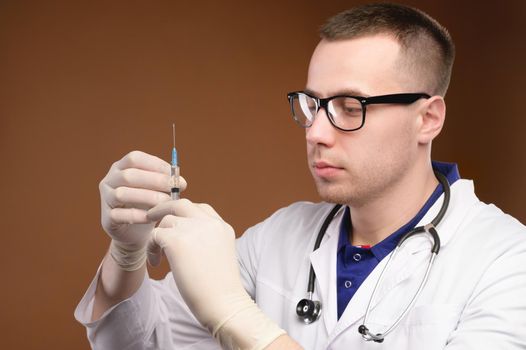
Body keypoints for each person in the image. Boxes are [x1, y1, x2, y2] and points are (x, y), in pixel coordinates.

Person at [75, 3, 526, 349]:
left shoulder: (505, 262)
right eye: (312, 105)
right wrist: (127, 254)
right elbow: (140, 344)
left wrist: (239, 320)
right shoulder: (278, 237)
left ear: (428, 118)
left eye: (351, 107)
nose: (316, 132)